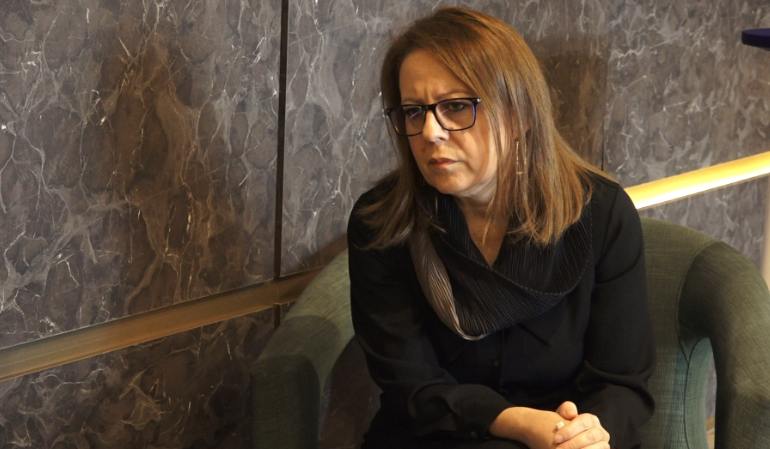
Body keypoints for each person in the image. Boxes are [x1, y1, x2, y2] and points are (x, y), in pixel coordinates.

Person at [347, 7, 655, 449]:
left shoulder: (600, 213)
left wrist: (583, 435)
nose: (430, 132)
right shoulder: (382, 222)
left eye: (456, 107)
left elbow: (622, 381)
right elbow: (412, 388)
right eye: (413, 112)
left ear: (520, 114)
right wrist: (524, 424)